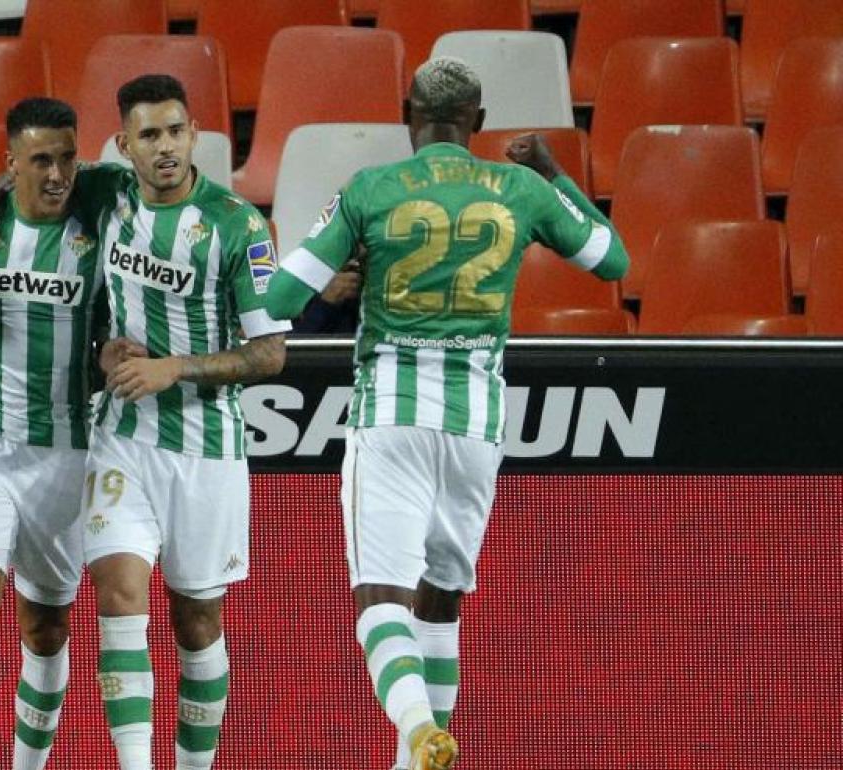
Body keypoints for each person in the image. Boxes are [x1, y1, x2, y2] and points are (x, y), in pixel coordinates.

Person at [266, 58, 629, 770]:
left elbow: (279, 301)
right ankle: (419, 760)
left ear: (408, 116)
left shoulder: (371, 189)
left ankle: (418, 730)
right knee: (441, 601)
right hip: (477, 423)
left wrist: (337, 274)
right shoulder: (521, 187)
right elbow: (612, 261)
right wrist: (555, 169)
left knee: (381, 603)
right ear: (480, 124)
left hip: (393, 413)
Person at [85, 74, 291, 770]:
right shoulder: (107, 204)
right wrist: (101, 350)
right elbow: (21, 177)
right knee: (119, 595)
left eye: (175, 131)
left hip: (206, 451)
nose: (165, 147)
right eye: (149, 135)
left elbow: (270, 354)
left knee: (196, 622)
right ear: (123, 146)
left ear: (193, 133)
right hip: (122, 437)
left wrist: (176, 367)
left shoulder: (238, 226)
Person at [0, 97, 117, 770]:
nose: (56, 173)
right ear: (11, 164)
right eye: (40, 160)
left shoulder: (99, 225)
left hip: (66, 454)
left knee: (47, 626)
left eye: (67, 157)